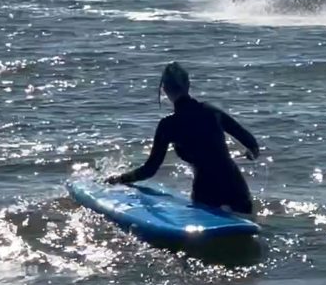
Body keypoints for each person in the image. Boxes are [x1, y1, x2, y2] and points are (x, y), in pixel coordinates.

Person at [107, 62, 260, 214]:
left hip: (206, 191)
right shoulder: (212, 112)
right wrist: (252, 153)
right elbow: (251, 143)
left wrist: (121, 179)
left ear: (165, 90)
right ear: (188, 84)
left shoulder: (168, 125)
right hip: (236, 187)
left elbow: (150, 169)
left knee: (208, 236)